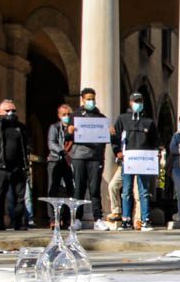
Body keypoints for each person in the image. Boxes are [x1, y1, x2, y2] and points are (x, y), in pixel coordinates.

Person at [111, 92, 158, 231]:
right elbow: (115, 138)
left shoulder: (148, 122)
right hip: (128, 161)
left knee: (143, 191)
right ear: (130, 103)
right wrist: (117, 152)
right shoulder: (122, 119)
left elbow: (154, 141)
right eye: (135, 101)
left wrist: (155, 155)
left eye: (140, 101)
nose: (138, 104)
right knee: (126, 191)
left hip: (143, 162)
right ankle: (126, 220)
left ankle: (145, 220)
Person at [0, 99, 30, 231]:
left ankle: (18, 223)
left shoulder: (20, 127)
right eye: (7, 111)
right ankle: (0, 223)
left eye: (13, 111)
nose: (10, 113)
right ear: (0, 111)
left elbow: (26, 145)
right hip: (0, 167)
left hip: (18, 167)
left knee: (20, 197)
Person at [69, 87, 111, 230]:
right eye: (88, 99)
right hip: (79, 156)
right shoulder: (75, 116)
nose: (91, 101)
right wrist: (69, 131)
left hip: (96, 158)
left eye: (93, 99)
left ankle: (98, 218)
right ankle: (77, 219)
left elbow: (107, 138)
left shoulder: (101, 118)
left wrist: (110, 133)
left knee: (94, 189)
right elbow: (68, 136)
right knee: (79, 189)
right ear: (82, 100)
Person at [46, 104, 75, 228]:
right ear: (59, 116)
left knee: (70, 190)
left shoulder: (74, 128)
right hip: (56, 160)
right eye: (64, 114)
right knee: (53, 189)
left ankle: (68, 219)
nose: (66, 117)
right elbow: (51, 143)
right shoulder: (54, 128)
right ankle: (53, 219)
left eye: (69, 114)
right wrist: (63, 152)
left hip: (70, 162)